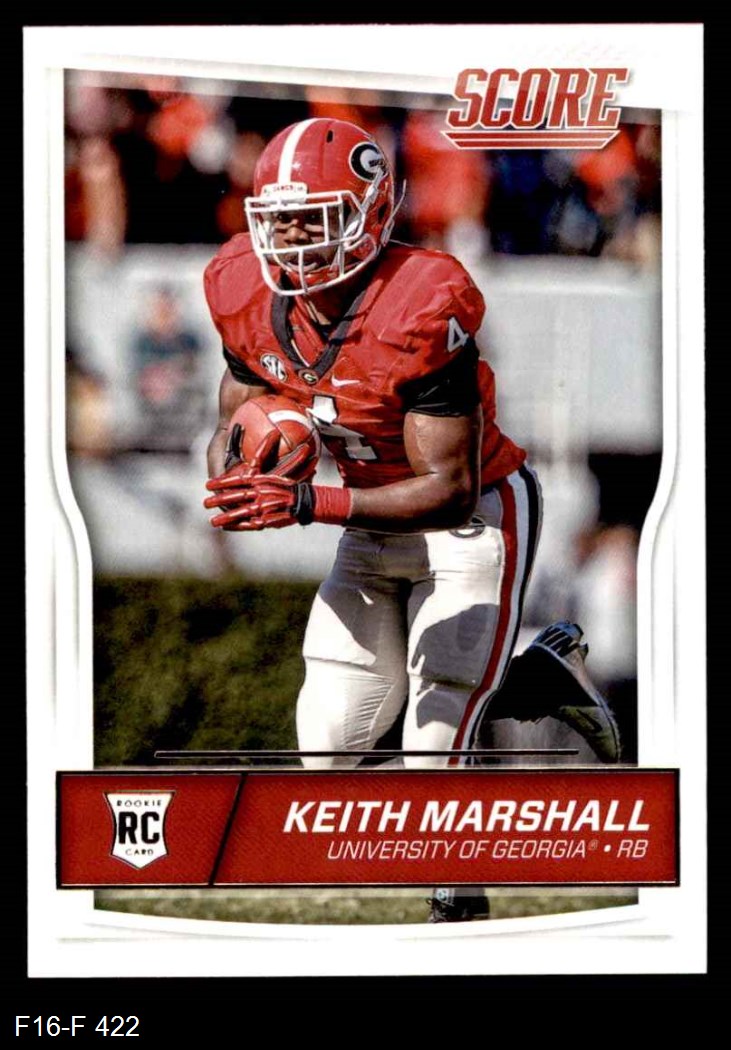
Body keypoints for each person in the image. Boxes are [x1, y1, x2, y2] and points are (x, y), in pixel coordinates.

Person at [202, 117, 620, 922]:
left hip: (472, 516)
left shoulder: (421, 301)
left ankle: (454, 901)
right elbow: (239, 406)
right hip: (369, 519)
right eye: (280, 220)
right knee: (327, 747)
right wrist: (243, 465)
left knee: (437, 724)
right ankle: (525, 679)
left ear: (370, 212)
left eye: (315, 218)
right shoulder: (239, 286)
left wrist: (309, 502)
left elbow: (448, 487)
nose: (293, 240)